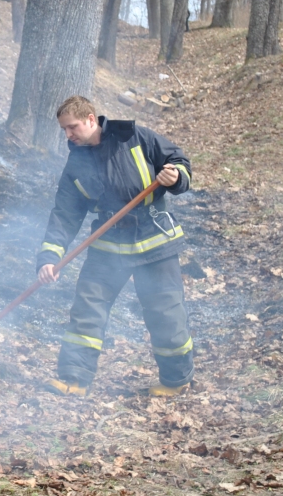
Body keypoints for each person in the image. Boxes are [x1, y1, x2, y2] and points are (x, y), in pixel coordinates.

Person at [36, 96, 194, 398]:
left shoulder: (135, 137)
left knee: (166, 313)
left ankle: (176, 380)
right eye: (64, 130)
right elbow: (64, 215)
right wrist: (49, 257)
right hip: (109, 246)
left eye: (72, 127)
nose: (68, 135)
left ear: (91, 119)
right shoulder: (76, 165)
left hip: (155, 242)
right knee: (87, 310)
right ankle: (74, 379)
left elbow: (179, 163)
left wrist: (175, 177)